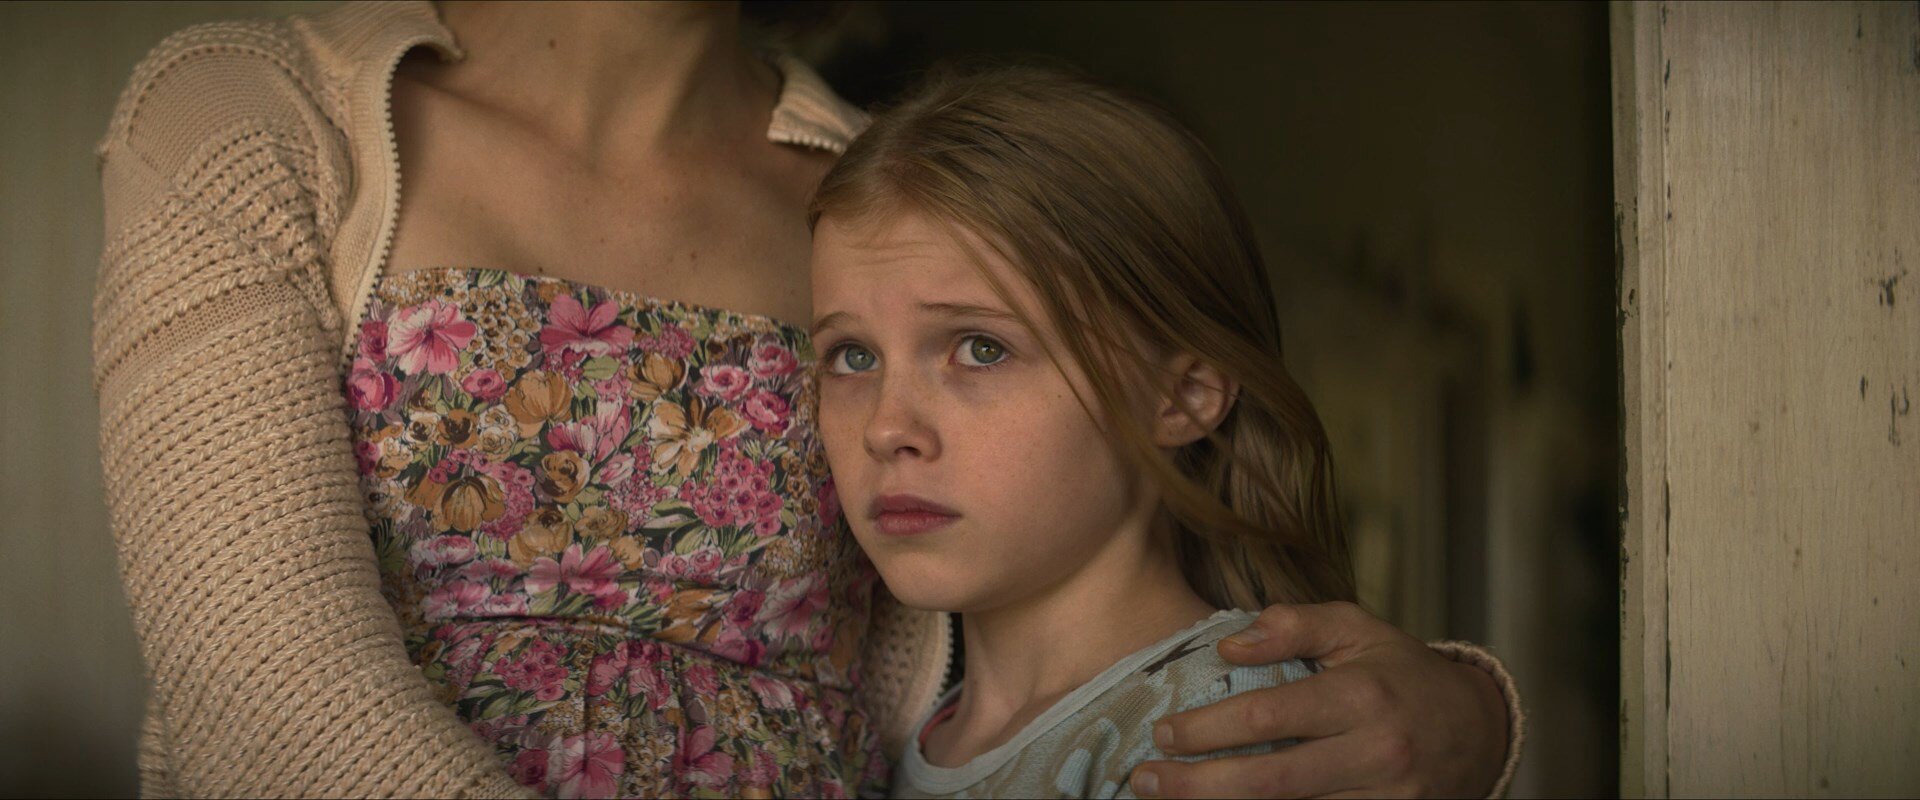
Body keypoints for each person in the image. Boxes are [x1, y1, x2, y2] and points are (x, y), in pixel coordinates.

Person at [91, 1, 1520, 797]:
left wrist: (1473, 717)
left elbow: (1076, 621)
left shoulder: (898, 196)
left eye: (967, 352)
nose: (891, 412)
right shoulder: (254, 114)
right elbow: (261, 693)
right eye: (847, 361)